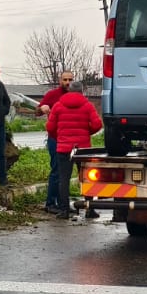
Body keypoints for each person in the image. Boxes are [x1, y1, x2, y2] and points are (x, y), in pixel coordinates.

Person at [46, 81, 102, 220]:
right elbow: (97, 124)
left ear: (69, 91)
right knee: (87, 178)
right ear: (82, 91)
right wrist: (87, 132)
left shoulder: (58, 106)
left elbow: (50, 127)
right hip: (82, 149)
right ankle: (90, 210)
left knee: (63, 179)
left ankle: (64, 210)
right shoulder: (88, 106)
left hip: (64, 148)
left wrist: (59, 136)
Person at [37, 69, 75, 213]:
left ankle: (63, 203)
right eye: (65, 80)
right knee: (56, 170)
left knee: (67, 173)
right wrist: (42, 108)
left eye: (70, 80)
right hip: (55, 138)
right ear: (60, 81)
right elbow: (38, 110)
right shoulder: (52, 95)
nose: (67, 82)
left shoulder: (76, 96)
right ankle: (50, 203)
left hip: (71, 140)